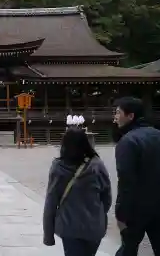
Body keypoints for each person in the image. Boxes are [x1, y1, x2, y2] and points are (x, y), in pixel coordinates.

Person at [43, 127, 112, 256]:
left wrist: (48, 235)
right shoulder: (97, 165)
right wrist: (98, 215)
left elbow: (51, 203)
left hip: (70, 227)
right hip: (94, 227)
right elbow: (107, 198)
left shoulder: (58, 168)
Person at [112, 97, 160, 256]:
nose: (115, 117)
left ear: (130, 116)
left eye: (118, 113)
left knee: (128, 249)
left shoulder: (128, 142)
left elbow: (126, 181)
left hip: (136, 209)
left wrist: (121, 212)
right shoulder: (157, 134)